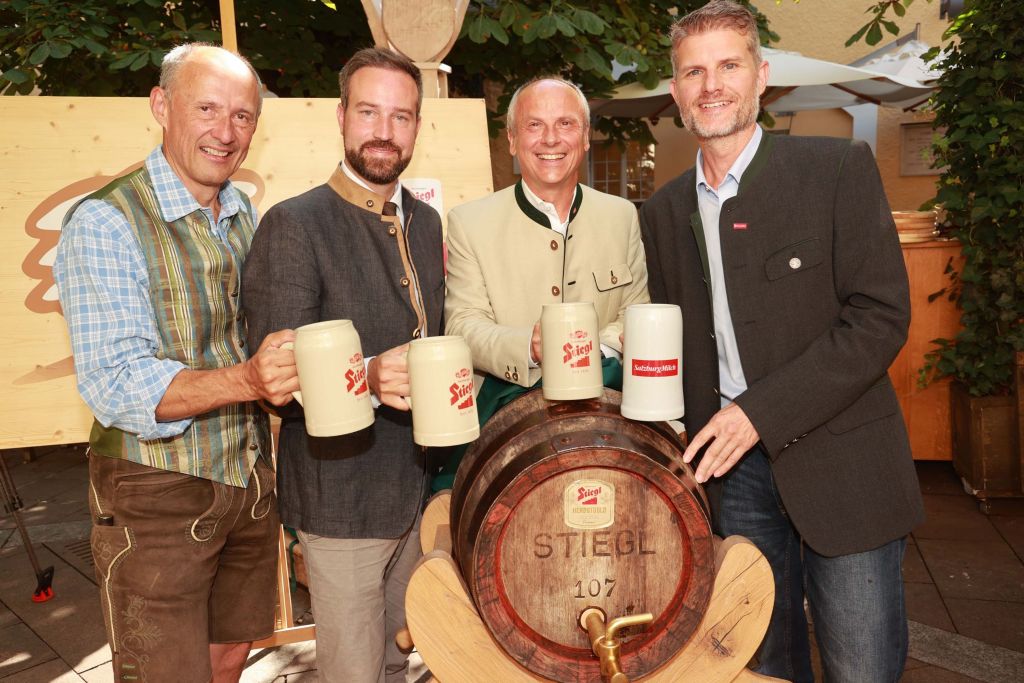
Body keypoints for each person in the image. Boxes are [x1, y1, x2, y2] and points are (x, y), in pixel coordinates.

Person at [639, 2, 925, 681]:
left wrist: (757, 413)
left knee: (861, 665)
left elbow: (880, 316)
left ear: (761, 75)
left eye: (728, 65)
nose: (711, 85)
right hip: (730, 477)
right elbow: (669, 338)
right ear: (677, 91)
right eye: (693, 71)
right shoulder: (662, 211)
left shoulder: (837, 170)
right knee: (758, 663)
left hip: (844, 465)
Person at [53, 44, 298, 683]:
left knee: (229, 655)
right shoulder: (105, 221)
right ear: (163, 106)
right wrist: (248, 379)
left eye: (242, 116)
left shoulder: (244, 214)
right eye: (208, 109)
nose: (226, 132)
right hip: (152, 494)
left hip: (244, 480)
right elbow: (116, 384)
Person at [242, 47, 443, 683]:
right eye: (369, 112)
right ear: (341, 116)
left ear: (417, 126)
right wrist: (373, 378)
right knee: (353, 672)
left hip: (416, 488)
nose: (385, 131)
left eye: (402, 116)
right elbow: (277, 379)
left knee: (395, 659)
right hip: (342, 499)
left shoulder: (428, 222)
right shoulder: (293, 224)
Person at [443, 76, 650, 400]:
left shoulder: (621, 216)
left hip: (610, 408)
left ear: (584, 137)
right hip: (506, 411)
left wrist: (587, 347)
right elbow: (462, 327)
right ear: (512, 139)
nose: (550, 139)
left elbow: (636, 312)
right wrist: (531, 346)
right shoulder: (469, 223)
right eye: (534, 125)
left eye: (565, 123)